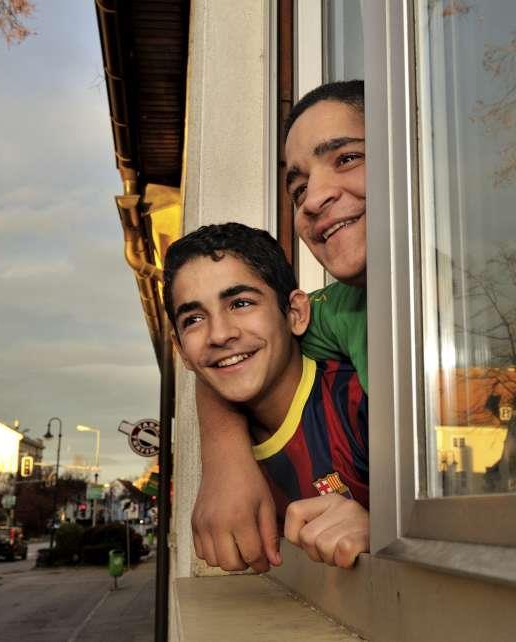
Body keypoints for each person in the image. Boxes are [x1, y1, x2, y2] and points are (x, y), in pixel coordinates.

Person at [191, 80, 368, 573]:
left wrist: (393, 529)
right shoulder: (340, 309)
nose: (313, 199)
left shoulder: (486, 299)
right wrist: (224, 461)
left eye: (347, 158)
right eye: (298, 187)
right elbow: (232, 350)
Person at [166, 222, 369, 568]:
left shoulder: (358, 403)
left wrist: (384, 534)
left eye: (241, 303)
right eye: (194, 319)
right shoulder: (234, 466)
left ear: (296, 313)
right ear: (181, 350)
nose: (219, 334)